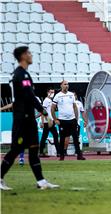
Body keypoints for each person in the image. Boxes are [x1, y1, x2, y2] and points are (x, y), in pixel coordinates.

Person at [0, 46, 59, 190]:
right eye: (29, 53)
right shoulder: (20, 75)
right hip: (22, 119)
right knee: (15, 149)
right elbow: (29, 96)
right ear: (23, 56)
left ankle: (41, 181)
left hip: (29, 119)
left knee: (34, 149)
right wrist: (44, 112)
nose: (31, 55)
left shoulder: (24, 74)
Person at [51, 80, 85, 161]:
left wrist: (76, 119)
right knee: (62, 138)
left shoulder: (71, 95)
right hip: (62, 120)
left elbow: (75, 107)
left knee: (75, 138)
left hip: (72, 120)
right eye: (65, 84)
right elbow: (52, 108)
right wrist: (55, 119)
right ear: (61, 85)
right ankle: (62, 156)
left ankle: (79, 155)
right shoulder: (57, 96)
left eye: (67, 84)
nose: (67, 86)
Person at [39, 87, 60, 157]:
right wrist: (43, 121)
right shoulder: (46, 100)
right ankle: (58, 152)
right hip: (48, 122)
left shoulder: (50, 101)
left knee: (46, 136)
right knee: (54, 135)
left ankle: (42, 152)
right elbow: (43, 111)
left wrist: (54, 119)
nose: (52, 94)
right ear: (47, 92)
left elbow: (49, 112)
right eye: (50, 92)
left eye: (53, 92)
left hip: (50, 121)